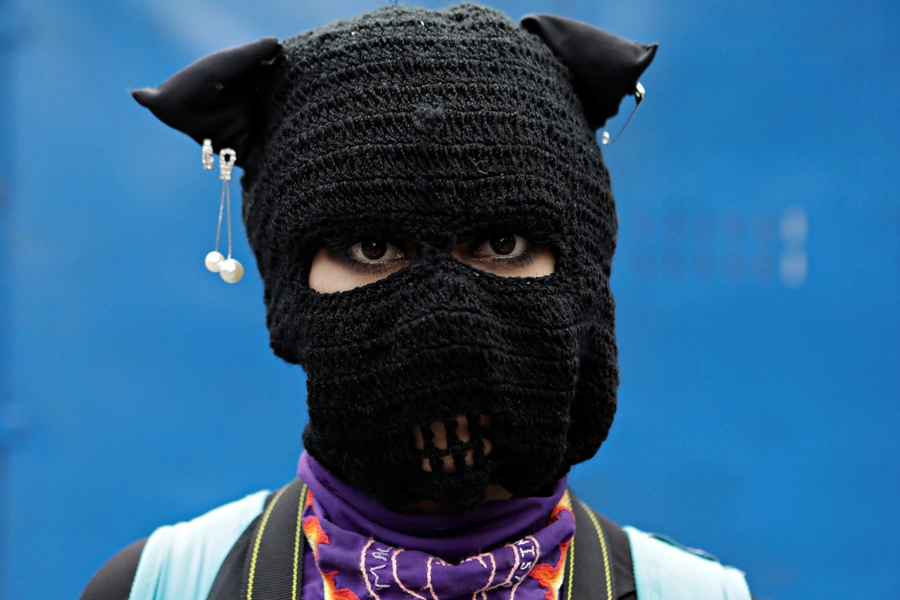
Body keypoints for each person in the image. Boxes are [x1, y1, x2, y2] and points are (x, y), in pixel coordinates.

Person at [81, 4, 753, 599]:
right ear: (288, 289)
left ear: (581, 274)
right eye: (373, 247)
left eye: (502, 240)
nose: (449, 322)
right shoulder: (159, 587)